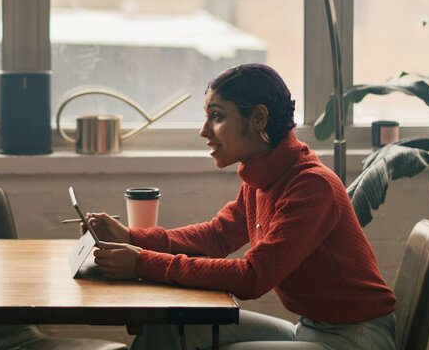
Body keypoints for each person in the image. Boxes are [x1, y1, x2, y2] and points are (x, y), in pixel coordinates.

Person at [86, 64, 397, 350]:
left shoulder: (312, 186)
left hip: (355, 339)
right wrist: (130, 237)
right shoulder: (261, 175)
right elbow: (217, 237)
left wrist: (142, 262)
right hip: (309, 329)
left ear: (258, 118)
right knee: (164, 329)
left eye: (217, 116)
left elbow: (252, 277)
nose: (204, 130)